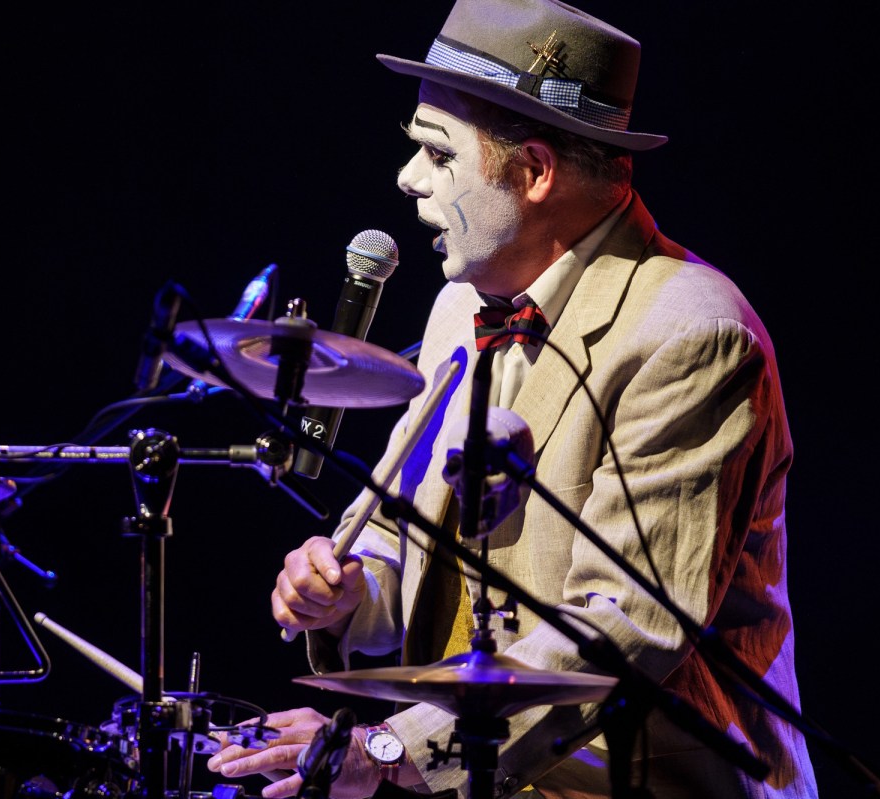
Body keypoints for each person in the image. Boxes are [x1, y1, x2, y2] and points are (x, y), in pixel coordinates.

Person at [208, 0, 819, 796]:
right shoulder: (460, 306)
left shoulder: (692, 333)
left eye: (436, 154)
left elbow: (623, 631)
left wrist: (391, 751)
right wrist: (350, 591)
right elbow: (403, 529)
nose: (408, 178)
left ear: (534, 171)